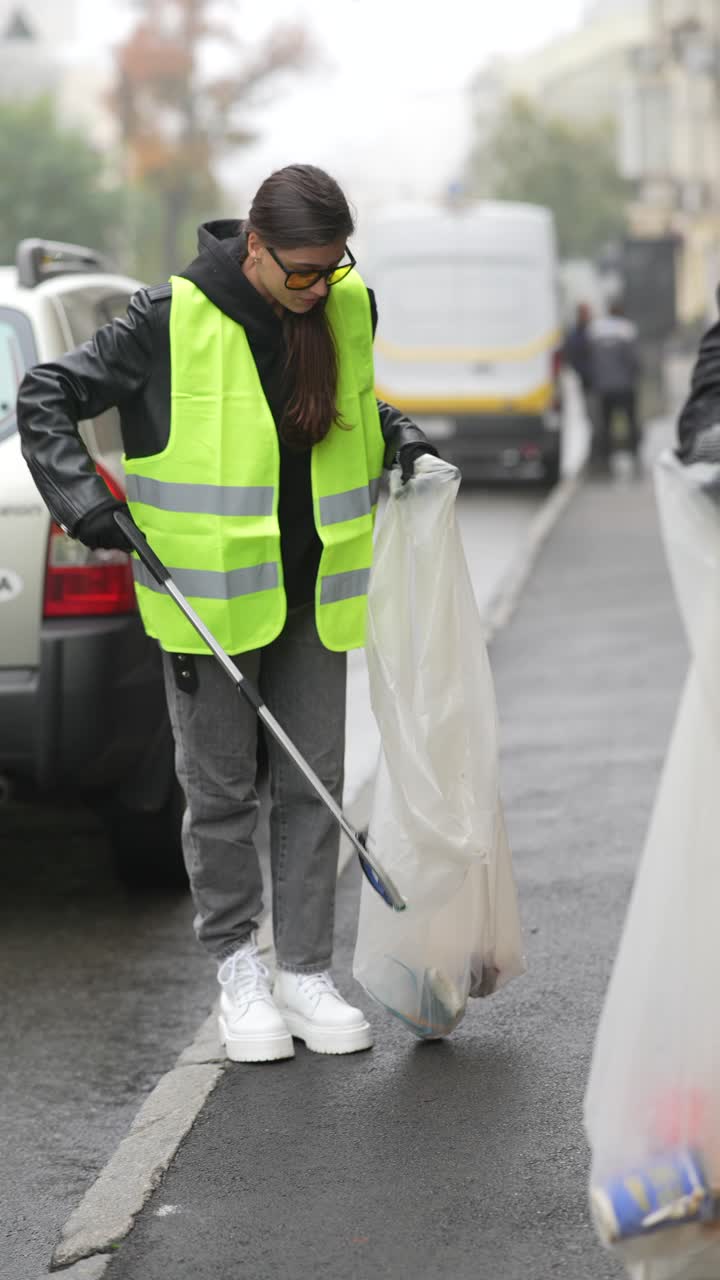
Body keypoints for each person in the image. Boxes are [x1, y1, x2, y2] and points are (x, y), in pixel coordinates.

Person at [16, 163, 439, 1064]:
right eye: (302, 271)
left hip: (309, 596)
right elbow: (44, 395)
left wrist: (399, 436)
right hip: (205, 603)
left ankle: (305, 973)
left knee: (311, 789)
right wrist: (85, 503)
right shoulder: (168, 321)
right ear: (254, 247)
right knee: (218, 799)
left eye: (332, 268)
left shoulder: (341, 309)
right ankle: (238, 966)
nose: (319, 286)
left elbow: (351, 410)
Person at [588, 300, 642, 472]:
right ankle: (633, 451)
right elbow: (633, 359)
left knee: (605, 422)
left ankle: (605, 454)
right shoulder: (627, 329)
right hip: (624, 385)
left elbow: (590, 358)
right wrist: (634, 375)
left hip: (603, 386)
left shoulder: (596, 329)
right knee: (630, 420)